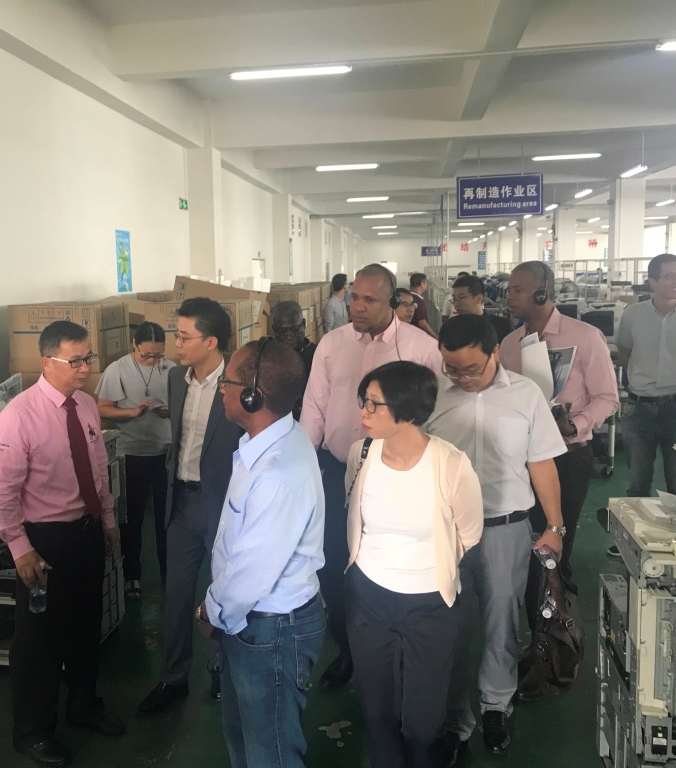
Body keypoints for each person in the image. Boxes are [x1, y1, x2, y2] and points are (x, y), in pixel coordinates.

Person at [426, 315, 566, 757]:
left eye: (471, 368)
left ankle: (495, 704)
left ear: (494, 354)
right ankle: (454, 719)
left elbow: (540, 461)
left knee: (501, 622)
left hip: (505, 527)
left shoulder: (526, 394)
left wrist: (554, 526)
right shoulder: (432, 395)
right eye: (452, 368)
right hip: (445, 532)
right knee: (447, 625)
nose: (462, 378)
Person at [300, 263, 442, 690]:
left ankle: (390, 651)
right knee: (332, 565)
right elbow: (314, 408)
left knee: (384, 564)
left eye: (369, 300)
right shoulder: (332, 344)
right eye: (353, 298)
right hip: (334, 470)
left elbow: (435, 417)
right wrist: (304, 468)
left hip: (394, 476)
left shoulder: (421, 348)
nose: (357, 307)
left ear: (393, 301)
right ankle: (348, 648)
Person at [0, 320, 125, 768]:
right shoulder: (18, 417)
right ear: (47, 362)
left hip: (85, 532)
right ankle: (32, 732)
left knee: (86, 627)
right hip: (44, 542)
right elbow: (3, 493)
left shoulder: (85, 405)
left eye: (89, 357)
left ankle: (84, 705)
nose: (86, 367)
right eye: (77, 360)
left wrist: (107, 520)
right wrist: (20, 548)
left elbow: (99, 469)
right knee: (39, 642)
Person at [345, 361, 483, 768]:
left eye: (374, 404)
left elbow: (469, 533)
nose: (364, 412)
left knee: (424, 724)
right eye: (364, 401)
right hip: (369, 599)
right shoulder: (361, 454)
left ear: (406, 410)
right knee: (377, 715)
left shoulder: (451, 464)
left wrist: (422, 567)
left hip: (431, 607)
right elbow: (354, 515)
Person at [197, 338, 326, 768]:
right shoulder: (269, 442)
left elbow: (251, 574)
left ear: (252, 396)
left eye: (228, 381)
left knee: (270, 752)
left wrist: (211, 612)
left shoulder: (276, 474)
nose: (221, 388)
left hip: (271, 630)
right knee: (244, 738)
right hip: (252, 622)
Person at [138, 298, 243, 714]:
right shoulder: (176, 379)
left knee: (223, 594)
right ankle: (173, 677)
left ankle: (222, 670)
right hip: (180, 504)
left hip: (222, 506)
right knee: (177, 595)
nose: (175, 344)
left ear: (211, 341)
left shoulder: (238, 384)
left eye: (184, 337)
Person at [499, 261, 618, 623]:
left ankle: (556, 632)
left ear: (542, 292)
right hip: (521, 460)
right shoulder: (510, 344)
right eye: (508, 289)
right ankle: (535, 622)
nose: (509, 297)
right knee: (525, 543)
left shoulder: (585, 337)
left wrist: (574, 425)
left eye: (518, 289)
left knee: (554, 546)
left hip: (568, 456)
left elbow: (607, 398)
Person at [616, 253, 676, 498]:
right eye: (670, 276)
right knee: (638, 483)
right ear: (652, 281)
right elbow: (625, 355)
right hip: (639, 409)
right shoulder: (633, 315)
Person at [96, 322, 173, 598]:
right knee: (132, 519)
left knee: (167, 518)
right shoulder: (118, 370)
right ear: (134, 345)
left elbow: (185, 406)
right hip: (131, 453)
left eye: (158, 355)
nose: (153, 360)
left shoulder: (172, 369)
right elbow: (103, 409)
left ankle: (168, 571)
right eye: (146, 355)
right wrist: (132, 413)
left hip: (165, 452)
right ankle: (132, 575)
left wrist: (170, 411)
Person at [271, 300, 317, 420]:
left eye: (294, 329)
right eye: (282, 332)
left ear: (304, 324)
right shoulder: (267, 358)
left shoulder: (318, 356)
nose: (289, 336)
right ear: (274, 330)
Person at [449, 275, 512, 343]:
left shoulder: (502, 326)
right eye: (454, 299)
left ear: (479, 299)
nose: (456, 304)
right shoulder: (452, 327)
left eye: (462, 298)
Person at [409, 272, 438, 339]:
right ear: (422, 284)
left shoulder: (408, 296)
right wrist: (436, 338)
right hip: (417, 336)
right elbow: (422, 323)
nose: (426, 286)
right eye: (426, 283)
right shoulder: (418, 300)